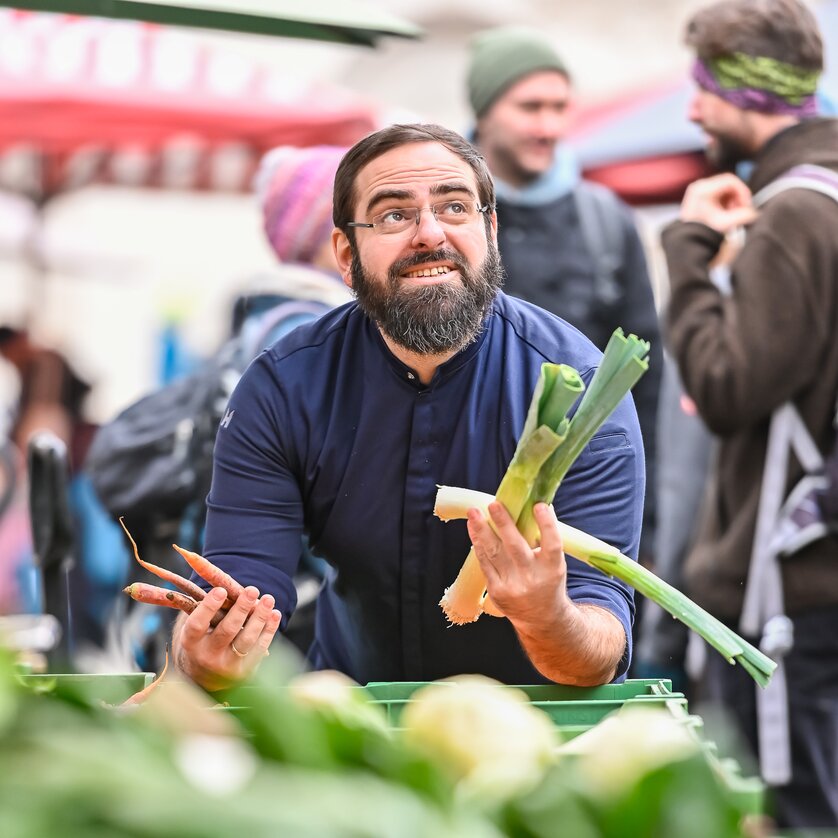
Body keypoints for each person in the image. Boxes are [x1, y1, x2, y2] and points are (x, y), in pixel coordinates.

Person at [171, 122, 645, 695]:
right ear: (346, 254)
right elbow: (240, 587)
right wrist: (206, 651)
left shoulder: (582, 393)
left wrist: (548, 618)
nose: (429, 234)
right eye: (395, 214)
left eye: (454, 207)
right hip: (353, 726)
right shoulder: (282, 388)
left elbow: (598, 649)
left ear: (490, 231)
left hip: (536, 729)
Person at [661, 0, 838, 828]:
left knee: (794, 815)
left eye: (702, 86)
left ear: (750, 92)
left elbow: (728, 387)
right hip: (814, 573)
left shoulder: (798, 214)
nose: (692, 108)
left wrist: (690, 251)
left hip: (786, 596)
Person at [464, 27, 662, 573]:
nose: (548, 126)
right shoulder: (443, 218)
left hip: (583, 512)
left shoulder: (607, 222)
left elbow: (651, 383)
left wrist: (649, 520)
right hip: (464, 503)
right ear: (483, 111)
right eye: (529, 106)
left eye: (559, 107)